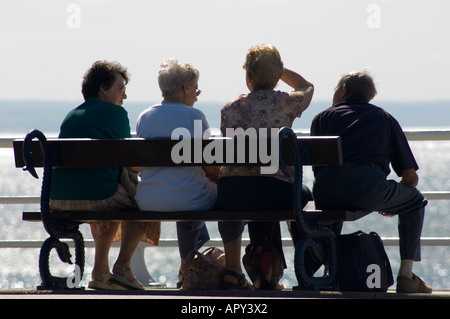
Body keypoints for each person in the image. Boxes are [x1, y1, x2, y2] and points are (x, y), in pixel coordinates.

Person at [310, 70, 432, 293]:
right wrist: (393, 200)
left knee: (333, 203)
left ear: (343, 90)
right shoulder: (383, 118)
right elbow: (410, 178)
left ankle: (331, 270)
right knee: (416, 201)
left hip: (326, 190)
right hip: (368, 188)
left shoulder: (322, 118)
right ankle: (406, 276)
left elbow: (318, 168)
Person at [50, 60, 160, 290]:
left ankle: (100, 271)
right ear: (103, 88)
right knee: (147, 200)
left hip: (59, 199)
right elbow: (132, 163)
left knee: (104, 190)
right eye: (121, 88)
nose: (125, 96)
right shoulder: (115, 114)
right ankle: (122, 267)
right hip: (100, 196)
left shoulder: (72, 116)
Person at [218, 44, 314, 289]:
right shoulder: (286, 102)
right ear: (277, 76)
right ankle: (284, 262)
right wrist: (279, 71)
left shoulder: (230, 108)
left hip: (231, 194)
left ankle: (264, 263)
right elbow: (307, 86)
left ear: (248, 77)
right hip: (271, 191)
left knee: (259, 188)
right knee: (296, 193)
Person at [135, 59, 217, 286]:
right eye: (196, 89)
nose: (197, 96)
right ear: (186, 88)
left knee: (189, 188)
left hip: (149, 200)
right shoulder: (195, 116)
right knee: (202, 191)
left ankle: (187, 265)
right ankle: (191, 266)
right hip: (189, 199)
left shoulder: (145, 116)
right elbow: (210, 165)